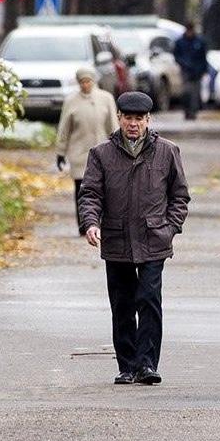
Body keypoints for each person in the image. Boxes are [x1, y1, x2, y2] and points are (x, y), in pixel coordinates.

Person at [78, 91, 190, 385]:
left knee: (149, 300)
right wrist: (91, 223)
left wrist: (170, 228)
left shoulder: (167, 151)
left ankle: (147, 365)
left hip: (154, 239)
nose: (133, 124)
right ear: (119, 119)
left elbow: (180, 195)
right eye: (128, 118)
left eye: (139, 119)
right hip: (116, 239)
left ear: (148, 120)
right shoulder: (101, 154)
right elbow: (90, 194)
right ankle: (127, 365)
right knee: (123, 303)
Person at [56, 66, 117, 210]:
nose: (85, 85)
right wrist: (60, 152)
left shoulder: (106, 98)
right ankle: (83, 224)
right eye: (82, 82)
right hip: (79, 152)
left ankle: (100, 223)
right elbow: (64, 128)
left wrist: (118, 148)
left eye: (88, 81)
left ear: (93, 81)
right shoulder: (71, 101)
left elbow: (113, 126)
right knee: (81, 190)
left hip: (102, 152)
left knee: (103, 190)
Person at [172, 22, 209, 120]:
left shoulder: (200, 41)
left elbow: (203, 57)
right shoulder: (180, 42)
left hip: (197, 71)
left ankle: (193, 112)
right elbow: (176, 55)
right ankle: (187, 110)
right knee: (186, 92)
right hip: (185, 71)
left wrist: (204, 70)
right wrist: (184, 63)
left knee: (195, 93)